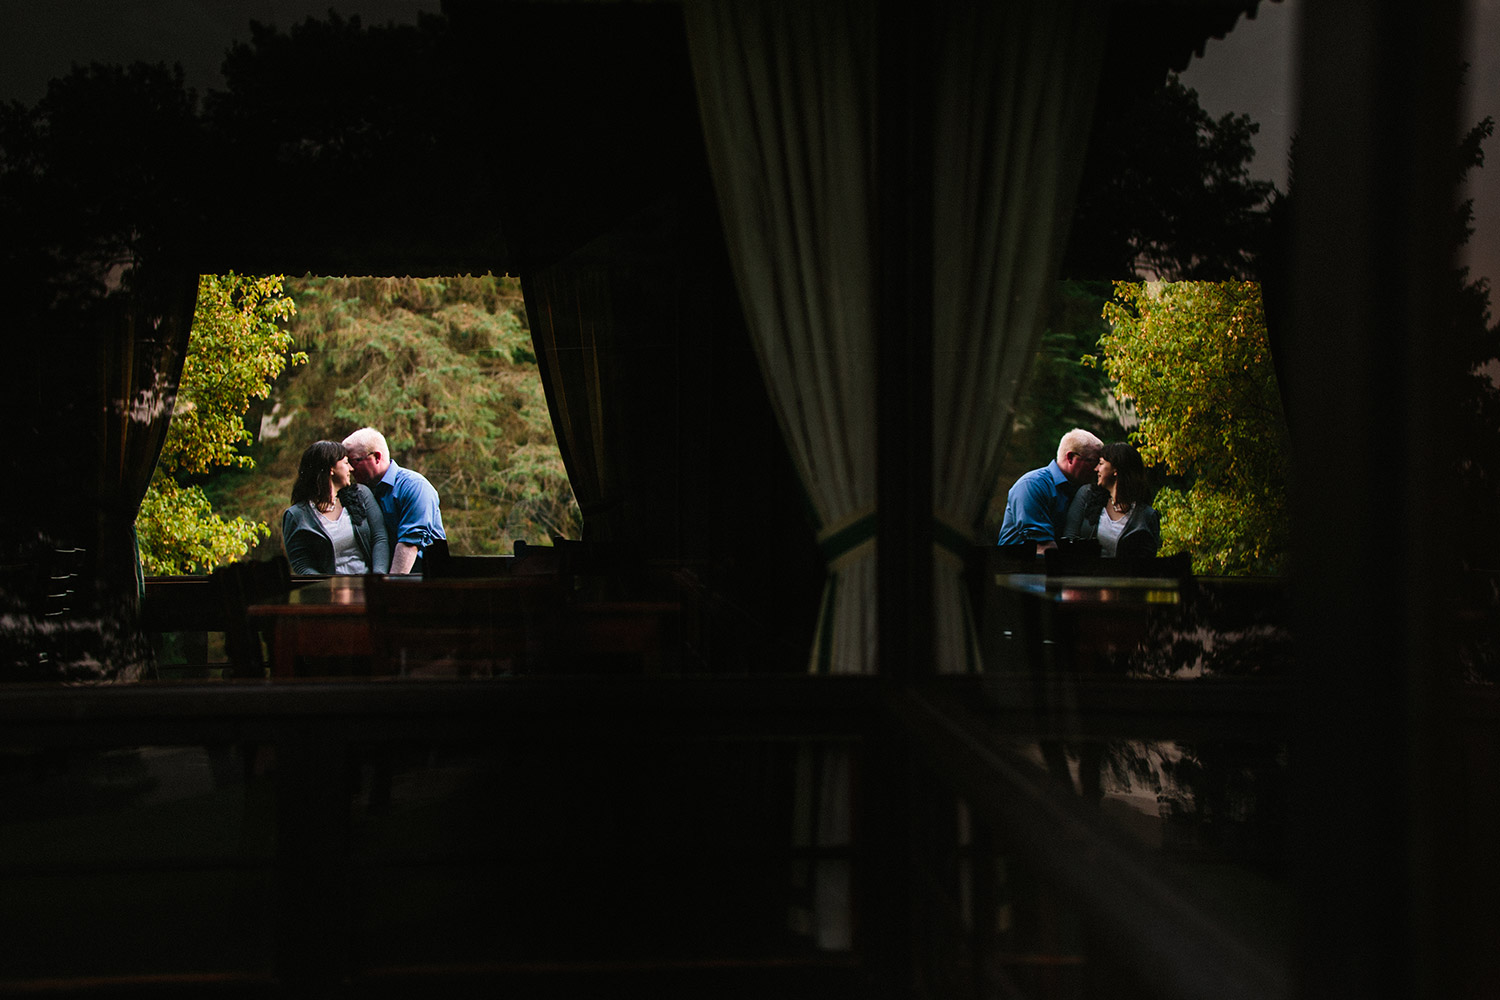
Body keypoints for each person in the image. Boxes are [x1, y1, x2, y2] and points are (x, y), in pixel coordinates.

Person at [341, 426, 446, 575]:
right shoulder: (362, 491)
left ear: (377, 457)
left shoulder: (414, 486)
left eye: (354, 461)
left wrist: (390, 588)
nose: (350, 469)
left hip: (424, 577)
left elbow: (409, 544)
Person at [282, 440, 391, 575]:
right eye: (346, 463)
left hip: (369, 587)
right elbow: (302, 564)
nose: (351, 468)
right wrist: (330, 588)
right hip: (329, 592)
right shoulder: (296, 516)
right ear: (330, 469)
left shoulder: (361, 495)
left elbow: (379, 538)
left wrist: (378, 578)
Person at [997, 428, 1103, 550]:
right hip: (1017, 565)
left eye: (1101, 464)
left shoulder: (1081, 491)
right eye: (1094, 461)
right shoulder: (1033, 485)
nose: (1097, 469)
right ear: (1071, 458)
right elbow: (1042, 545)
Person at [1063, 440, 1162, 558]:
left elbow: (1147, 562)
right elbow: (1069, 538)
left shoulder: (1146, 516)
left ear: (1116, 470)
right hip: (1085, 574)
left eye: (1101, 463)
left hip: (1124, 576)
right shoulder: (1087, 495)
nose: (1096, 469)